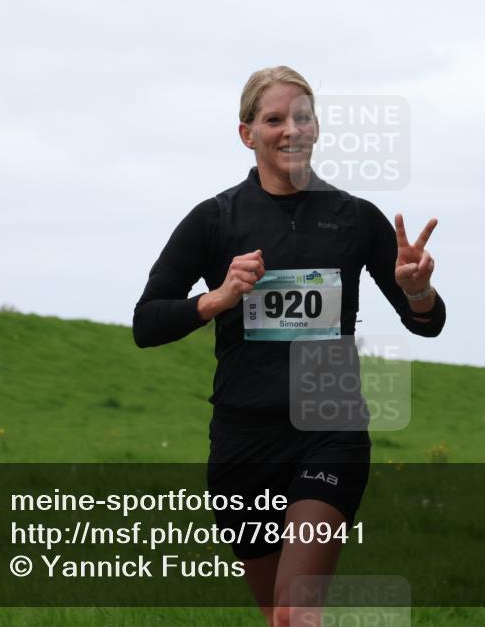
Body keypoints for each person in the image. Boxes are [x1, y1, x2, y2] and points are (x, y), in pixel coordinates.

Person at [132, 66, 446, 626]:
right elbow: (146, 323)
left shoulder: (355, 218)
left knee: (295, 612)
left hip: (329, 432)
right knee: (279, 617)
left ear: (317, 127)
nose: (291, 130)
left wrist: (417, 291)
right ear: (247, 134)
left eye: (302, 117)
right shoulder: (214, 220)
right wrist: (218, 298)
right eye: (275, 119)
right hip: (243, 442)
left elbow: (427, 323)